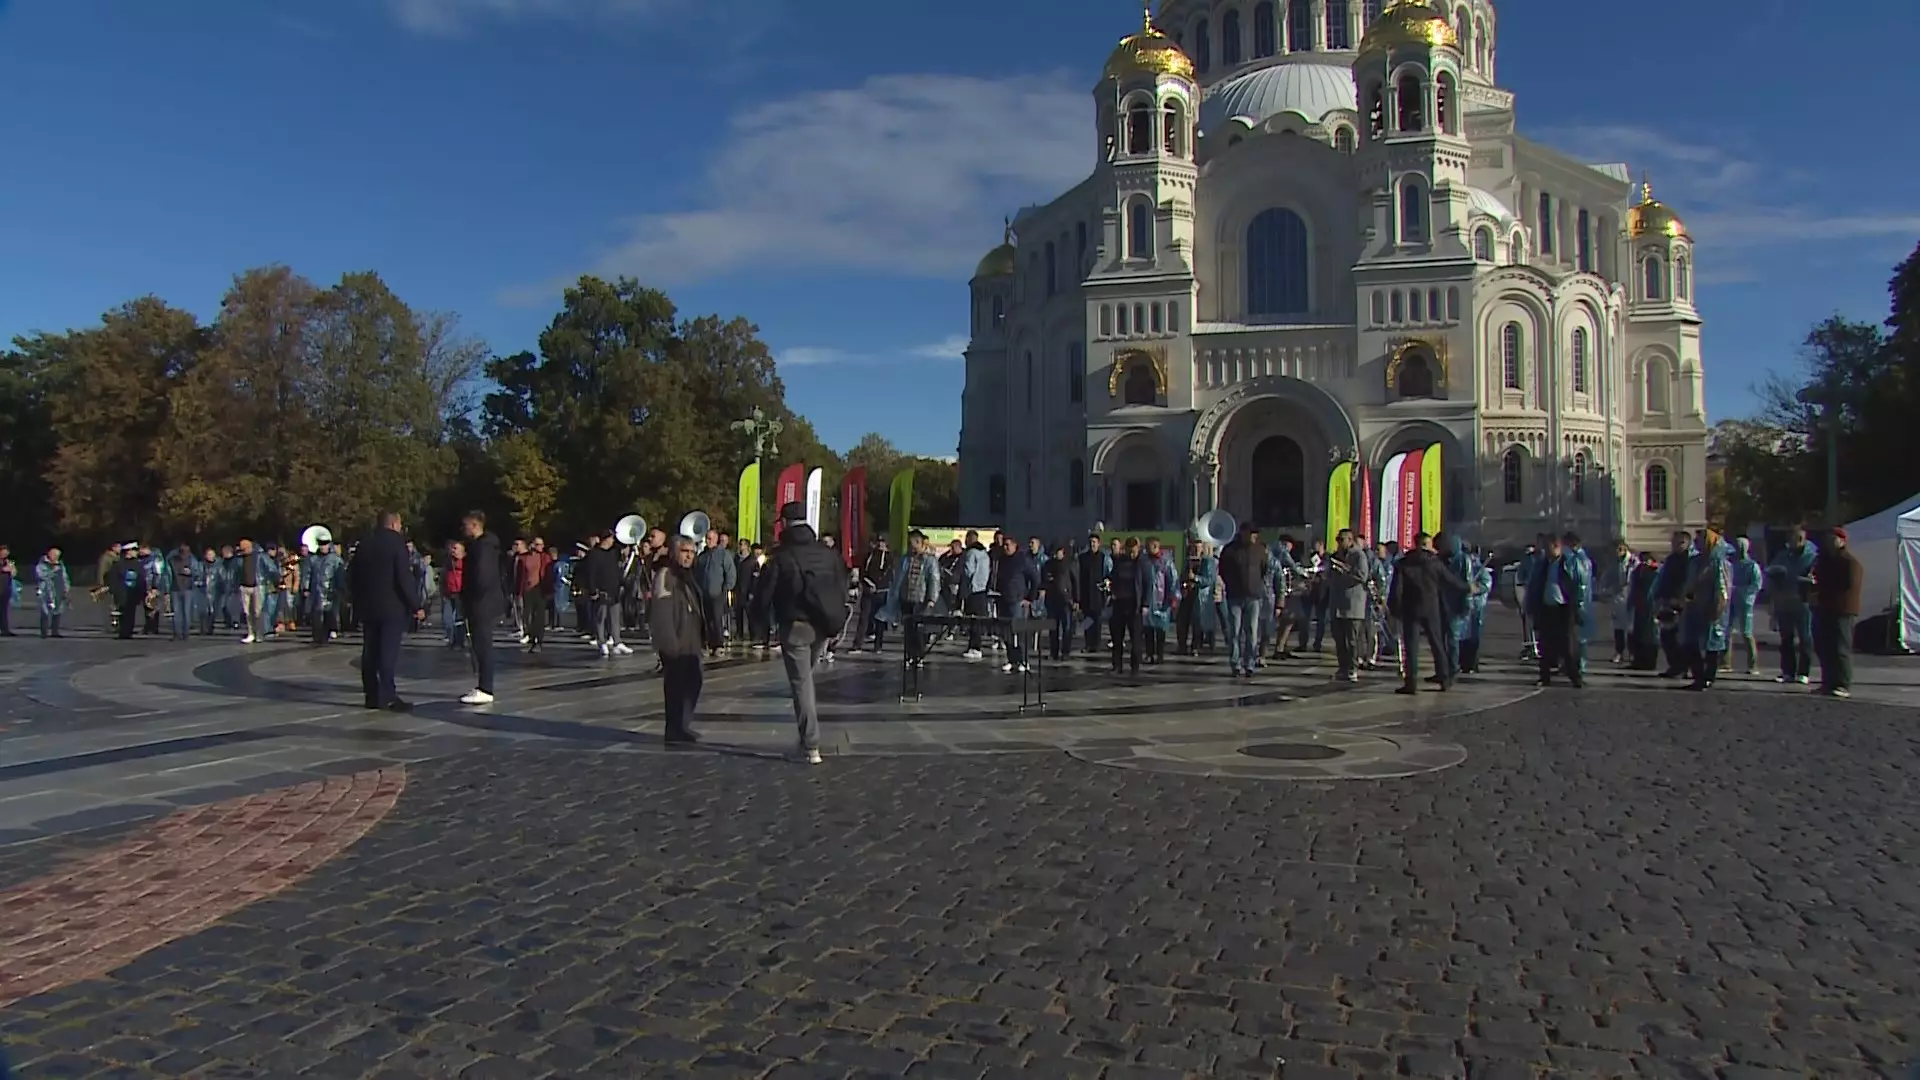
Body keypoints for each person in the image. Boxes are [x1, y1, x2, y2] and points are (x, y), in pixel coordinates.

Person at [756, 501, 849, 764]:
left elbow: (764, 594)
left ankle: (810, 745)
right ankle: (806, 740)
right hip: (823, 623)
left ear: (784, 523)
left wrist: (761, 623)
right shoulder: (828, 553)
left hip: (795, 625)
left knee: (801, 684)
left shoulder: (780, 555)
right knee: (806, 678)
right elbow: (840, 585)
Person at [349, 512, 422, 712]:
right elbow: (403, 576)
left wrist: (356, 600)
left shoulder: (365, 543)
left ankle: (371, 694)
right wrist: (416, 604)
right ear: (393, 523)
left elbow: (353, 574)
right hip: (392, 606)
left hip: (368, 605)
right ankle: (388, 696)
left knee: (370, 652)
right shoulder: (396, 544)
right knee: (387, 653)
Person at [648, 535, 711, 744]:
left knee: (693, 682)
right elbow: (662, 611)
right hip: (676, 640)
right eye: (685, 552)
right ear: (675, 552)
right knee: (676, 686)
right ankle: (674, 728)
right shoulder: (666, 574)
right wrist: (668, 643)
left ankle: (683, 725)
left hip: (691, 639)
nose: (689, 556)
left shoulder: (688, 577)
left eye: (692, 553)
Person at [1387, 533, 1464, 694]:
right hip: (1431, 608)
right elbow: (1450, 580)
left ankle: (1411, 683)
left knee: (1411, 647)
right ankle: (1444, 679)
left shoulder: (1403, 563)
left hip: (1411, 608)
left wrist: (1394, 608)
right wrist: (1468, 587)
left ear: (1416, 544)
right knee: (1437, 644)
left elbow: (1397, 589)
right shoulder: (1435, 563)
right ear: (1427, 544)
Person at [1523, 533, 1588, 688]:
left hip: (1564, 609)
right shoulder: (1542, 564)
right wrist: (1530, 605)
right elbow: (1533, 585)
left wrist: (1579, 605)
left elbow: (1581, 584)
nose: (1545, 550)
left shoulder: (1570, 562)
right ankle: (1544, 676)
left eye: (1548, 547)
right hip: (1546, 608)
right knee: (1544, 644)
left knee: (1568, 645)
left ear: (1557, 547)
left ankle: (1575, 676)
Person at [458, 512, 506, 704]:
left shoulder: (483, 547)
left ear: (476, 525)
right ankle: (483, 685)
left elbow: (482, 576)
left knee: (483, 644)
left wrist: (473, 595)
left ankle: (486, 687)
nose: (463, 529)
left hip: (481, 602)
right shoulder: (481, 546)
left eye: (466, 525)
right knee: (480, 644)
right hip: (481, 601)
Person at [1812, 525, 1863, 699]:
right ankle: (1828, 682)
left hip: (1842, 610)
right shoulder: (1826, 560)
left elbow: (1848, 585)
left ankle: (1842, 683)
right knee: (1826, 647)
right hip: (1826, 608)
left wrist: (1825, 586)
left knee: (1841, 647)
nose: (1828, 542)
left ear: (1842, 540)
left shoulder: (1849, 562)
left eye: (1832, 538)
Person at [1766, 526, 1817, 685]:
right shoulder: (1783, 555)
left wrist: (1798, 579)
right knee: (1786, 638)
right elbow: (1771, 570)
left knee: (1805, 638)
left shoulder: (1812, 556)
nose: (1790, 543)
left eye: (1793, 539)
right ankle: (1788, 671)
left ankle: (1803, 672)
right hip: (1784, 600)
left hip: (1803, 602)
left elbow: (1815, 578)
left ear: (1802, 539)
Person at [1218, 522, 1268, 678]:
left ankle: (1250, 664)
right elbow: (1222, 570)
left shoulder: (1260, 550)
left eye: (1256, 534)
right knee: (1234, 631)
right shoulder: (1230, 550)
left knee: (1252, 632)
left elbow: (1264, 569)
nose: (1254, 536)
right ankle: (1235, 663)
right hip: (1235, 596)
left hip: (1254, 596)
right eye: (1251, 533)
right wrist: (1231, 585)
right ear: (1243, 533)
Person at [1325, 529, 1373, 682]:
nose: (1339, 542)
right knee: (1339, 638)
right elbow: (1329, 576)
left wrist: (1344, 571)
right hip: (1337, 603)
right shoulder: (1335, 555)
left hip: (1352, 604)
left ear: (1350, 540)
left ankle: (1352, 668)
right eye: (1337, 539)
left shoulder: (1359, 555)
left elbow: (1362, 576)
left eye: (1342, 539)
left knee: (1351, 640)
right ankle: (1342, 667)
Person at [1726, 536, 1762, 675]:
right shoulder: (1731, 564)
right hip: (1730, 600)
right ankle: (1725, 662)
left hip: (1745, 601)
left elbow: (1756, 584)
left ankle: (1752, 664)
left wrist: (1742, 591)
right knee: (1726, 631)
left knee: (1746, 632)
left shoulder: (1752, 565)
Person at [304, 538, 346, 645]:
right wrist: (306, 588)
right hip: (316, 591)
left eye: (325, 544)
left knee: (328, 615)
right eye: (321, 545)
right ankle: (317, 637)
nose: (323, 547)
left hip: (330, 591)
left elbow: (340, 575)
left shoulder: (335, 560)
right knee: (316, 615)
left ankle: (325, 636)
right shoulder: (313, 559)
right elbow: (308, 574)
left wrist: (340, 589)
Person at [35, 548, 69, 638]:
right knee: (45, 611)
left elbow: (64, 577)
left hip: (58, 590)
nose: (55, 557)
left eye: (57, 556)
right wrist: (54, 571)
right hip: (45, 590)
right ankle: (44, 632)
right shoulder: (42, 564)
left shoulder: (60, 565)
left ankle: (55, 631)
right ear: (49, 554)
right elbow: (41, 575)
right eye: (54, 555)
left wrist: (66, 588)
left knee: (57, 611)